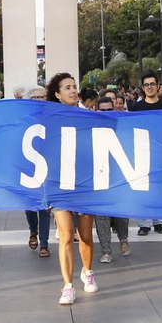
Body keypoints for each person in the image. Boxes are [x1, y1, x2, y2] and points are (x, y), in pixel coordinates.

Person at [42, 72, 100, 305]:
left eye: (74, 86)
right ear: (57, 94)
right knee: (66, 235)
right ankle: (67, 285)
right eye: (67, 87)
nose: (73, 90)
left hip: (85, 182)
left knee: (85, 235)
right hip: (59, 183)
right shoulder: (49, 119)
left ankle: (87, 271)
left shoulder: (88, 116)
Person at [129, 71, 162, 237]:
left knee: (161, 187)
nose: (149, 87)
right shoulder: (136, 107)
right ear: (142, 88)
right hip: (141, 151)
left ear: (158, 86)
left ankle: (160, 222)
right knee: (142, 187)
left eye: (152, 84)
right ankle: (144, 223)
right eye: (146, 85)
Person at [92, 92, 131, 262]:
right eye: (102, 110)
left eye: (109, 109)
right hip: (99, 176)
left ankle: (123, 239)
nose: (106, 113)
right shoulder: (91, 127)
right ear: (96, 111)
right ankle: (105, 250)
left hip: (119, 176)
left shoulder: (123, 126)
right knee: (101, 215)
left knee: (121, 213)